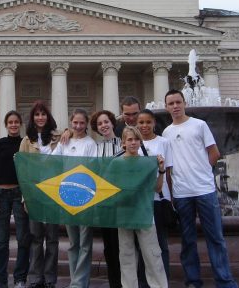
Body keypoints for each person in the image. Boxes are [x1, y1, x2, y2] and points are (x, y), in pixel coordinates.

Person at [163, 89, 238, 288]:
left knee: (216, 238)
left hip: (205, 190)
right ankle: (193, 280)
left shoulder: (199, 125)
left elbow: (214, 153)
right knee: (187, 240)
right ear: (166, 107)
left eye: (178, 102)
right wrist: (171, 193)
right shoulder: (167, 133)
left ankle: (225, 281)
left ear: (184, 103)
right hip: (181, 193)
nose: (175, 106)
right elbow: (168, 167)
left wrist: (203, 172)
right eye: (171, 103)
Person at [117, 126, 168, 288]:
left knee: (152, 254)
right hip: (124, 213)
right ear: (123, 143)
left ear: (140, 142)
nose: (133, 142)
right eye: (130, 139)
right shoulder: (116, 163)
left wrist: (161, 170)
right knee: (126, 254)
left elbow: (157, 188)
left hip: (144, 213)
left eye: (136, 139)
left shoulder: (147, 162)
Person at [52, 108, 97, 288]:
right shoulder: (64, 141)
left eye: (82, 123)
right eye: (75, 122)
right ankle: (74, 279)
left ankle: (79, 283)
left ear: (86, 124)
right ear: (71, 122)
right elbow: (53, 161)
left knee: (85, 243)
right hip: (67, 196)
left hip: (85, 196)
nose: (78, 126)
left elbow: (93, 169)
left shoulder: (90, 144)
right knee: (73, 243)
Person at [19, 101, 61, 288]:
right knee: (36, 238)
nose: (40, 117)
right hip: (34, 194)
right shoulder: (26, 141)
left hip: (53, 193)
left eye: (43, 114)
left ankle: (50, 278)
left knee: (52, 239)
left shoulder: (57, 138)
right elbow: (22, 170)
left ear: (48, 116)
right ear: (32, 118)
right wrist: (25, 196)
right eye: (37, 114)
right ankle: (36, 278)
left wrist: (68, 132)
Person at [0, 110, 31, 288]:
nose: (13, 125)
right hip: (1, 194)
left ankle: (20, 279)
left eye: (16, 122)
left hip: (20, 194)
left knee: (23, 238)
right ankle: (0, 278)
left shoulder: (26, 143)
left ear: (20, 124)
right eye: (10, 122)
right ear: (6, 125)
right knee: (2, 241)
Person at [136, 109, 171, 280]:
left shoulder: (164, 142)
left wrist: (173, 197)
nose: (145, 126)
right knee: (142, 244)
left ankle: (163, 279)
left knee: (161, 242)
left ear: (154, 123)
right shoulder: (133, 143)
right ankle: (144, 281)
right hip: (140, 201)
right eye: (141, 122)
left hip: (159, 198)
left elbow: (169, 170)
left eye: (148, 122)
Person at [90, 110, 122, 288]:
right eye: (100, 124)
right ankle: (114, 283)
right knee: (109, 245)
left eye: (106, 122)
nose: (103, 126)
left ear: (112, 123)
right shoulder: (96, 148)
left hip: (122, 201)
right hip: (104, 202)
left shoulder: (124, 143)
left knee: (123, 244)